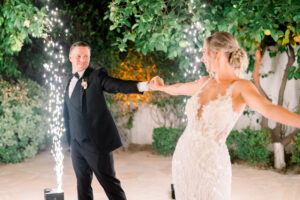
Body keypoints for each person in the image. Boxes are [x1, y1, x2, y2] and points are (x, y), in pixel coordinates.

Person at [149, 31, 300, 200]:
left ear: (217, 53)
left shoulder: (241, 87)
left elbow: (268, 109)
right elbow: (178, 89)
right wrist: (161, 87)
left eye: (204, 53)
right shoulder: (204, 82)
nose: (201, 58)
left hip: (211, 167)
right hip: (183, 161)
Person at [63, 41, 149, 200]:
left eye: (86, 56)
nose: (82, 60)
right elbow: (68, 112)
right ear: (70, 57)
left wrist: (144, 85)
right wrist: (70, 140)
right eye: (78, 56)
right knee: (82, 185)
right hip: (76, 143)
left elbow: (116, 85)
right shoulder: (69, 80)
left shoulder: (96, 76)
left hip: (96, 144)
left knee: (111, 186)